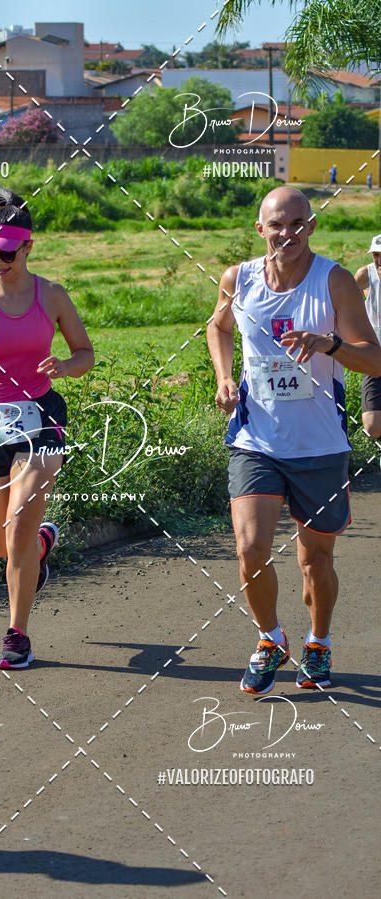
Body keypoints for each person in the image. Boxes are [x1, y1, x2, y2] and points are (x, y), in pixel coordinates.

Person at [207, 186, 381, 695]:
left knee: (314, 562)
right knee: (250, 547)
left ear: (311, 226)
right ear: (260, 229)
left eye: (298, 224)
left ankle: (318, 643)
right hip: (255, 440)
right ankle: (270, 640)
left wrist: (327, 343)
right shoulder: (237, 280)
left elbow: (373, 358)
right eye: (277, 225)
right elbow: (218, 328)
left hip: (319, 446)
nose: (288, 234)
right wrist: (223, 376)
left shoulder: (335, 281)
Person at [0, 188, 94, 669]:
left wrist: (66, 368)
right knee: (0, 542)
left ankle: (17, 636)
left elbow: (85, 353)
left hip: (41, 418)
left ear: (28, 248)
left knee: (19, 526)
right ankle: (41, 546)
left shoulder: (51, 295)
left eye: (6, 253)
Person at [355, 234, 381, 440]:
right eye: (375, 255)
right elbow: (344, 306)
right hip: (375, 356)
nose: (379, 260)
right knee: (372, 427)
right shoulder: (365, 275)